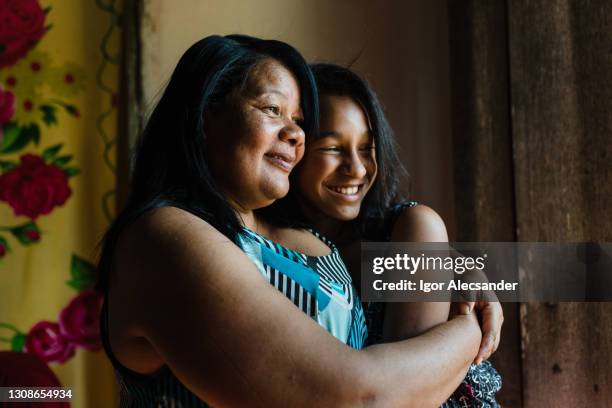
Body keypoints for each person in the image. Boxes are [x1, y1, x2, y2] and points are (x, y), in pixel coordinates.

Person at [97, 35, 483, 407]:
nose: (295, 133)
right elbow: (360, 398)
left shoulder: (289, 229)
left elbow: (381, 262)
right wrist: (469, 330)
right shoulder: (164, 238)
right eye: (272, 110)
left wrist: (460, 268)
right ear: (204, 115)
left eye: (299, 120)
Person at [290, 63, 503, 406]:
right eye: (332, 148)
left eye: (366, 147)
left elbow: (409, 394)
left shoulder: (412, 229)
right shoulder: (278, 249)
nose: (357, 168)